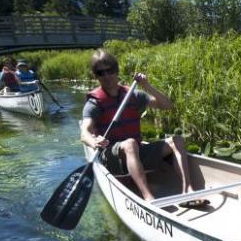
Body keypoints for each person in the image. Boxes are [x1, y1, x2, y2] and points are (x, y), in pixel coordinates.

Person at [80, 49, 203, 206]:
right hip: (111, 157)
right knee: (130, 143)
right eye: (100, 73)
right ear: (96, 76)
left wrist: (147, 86)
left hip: (136, 152)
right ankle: (149, 198)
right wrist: (94, 141)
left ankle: (188, 191)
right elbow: (84, 132)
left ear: (116, 70)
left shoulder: (133, 95)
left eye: (109, 70)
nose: (106, 76)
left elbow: (167, 105)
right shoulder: (94, 103)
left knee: (177, 140)